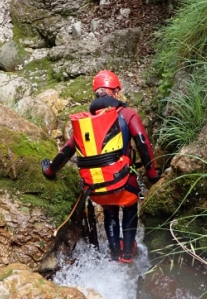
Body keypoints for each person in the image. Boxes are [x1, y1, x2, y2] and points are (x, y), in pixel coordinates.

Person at [41, 69, 160, 262]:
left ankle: (114, 254)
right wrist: (152, 175)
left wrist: (49, 169)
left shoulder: (86, 123)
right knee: (129, 208)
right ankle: (128, 254)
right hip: (124, 186)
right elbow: (142, 142)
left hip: (97, 189)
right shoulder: (128, 114)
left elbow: (67, 150)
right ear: (116, 92)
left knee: (109, 210)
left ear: (96, 93)